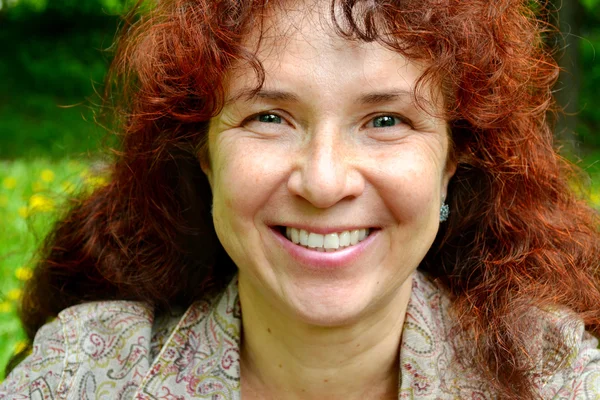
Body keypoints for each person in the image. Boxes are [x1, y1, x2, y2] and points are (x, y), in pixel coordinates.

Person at [2, 0, 600, 398]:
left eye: (386, 120)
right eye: (270, 117)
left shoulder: (559, 379)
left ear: (451, 161)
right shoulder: (84, 373)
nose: (323, 182)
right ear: (205, 155)